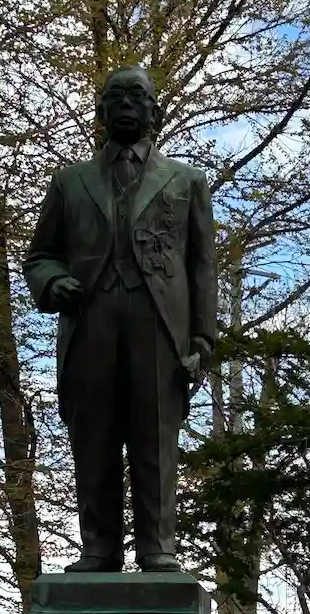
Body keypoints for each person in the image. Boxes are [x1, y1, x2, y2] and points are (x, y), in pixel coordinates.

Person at [23, 65, 217, 572]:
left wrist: (202, 338)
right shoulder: (70, 182)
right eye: (116, 95)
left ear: (156, 110)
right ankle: (99, 548)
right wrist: (53, 282)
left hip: (160, 326)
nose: (127, 103)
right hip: (90, 320)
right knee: (94, 436)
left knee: (156, 436)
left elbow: (202, 265)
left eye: (137, 95)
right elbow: (40, 255)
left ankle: (158, 547)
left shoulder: (187, 181)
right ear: (101, 110)